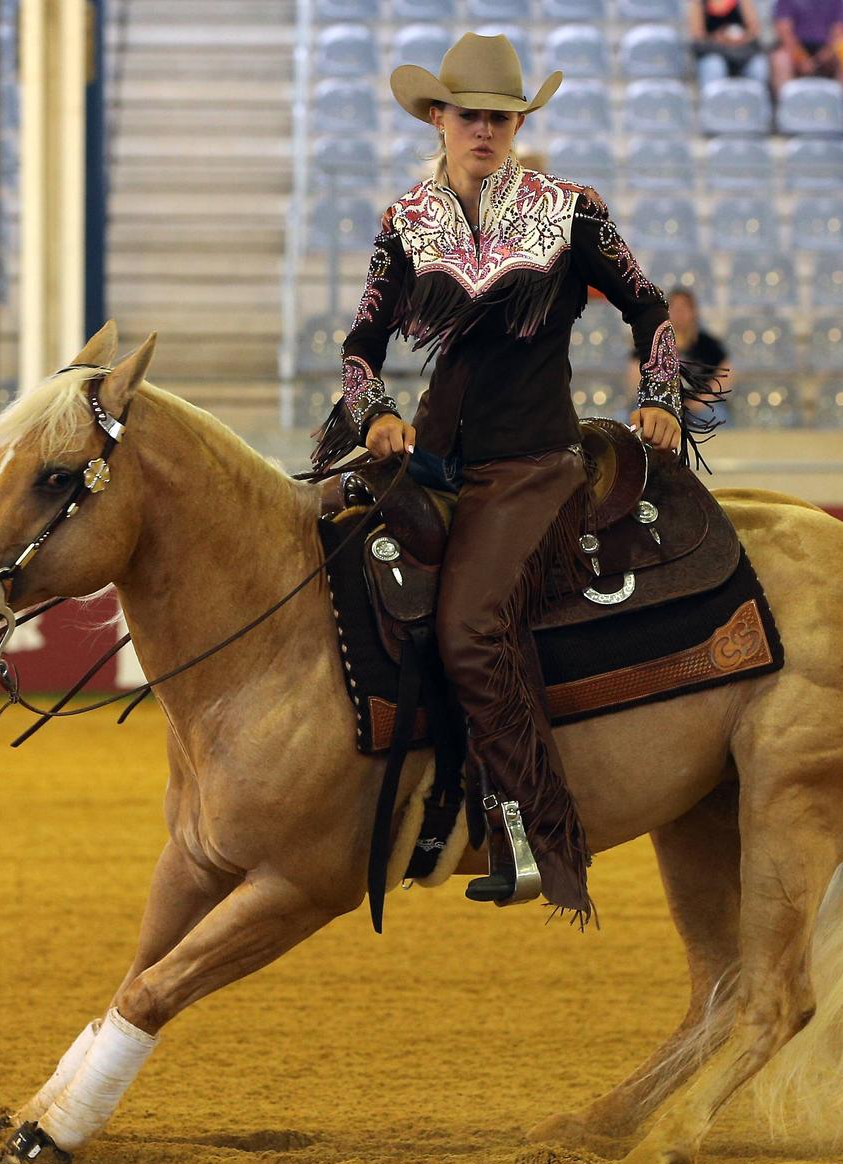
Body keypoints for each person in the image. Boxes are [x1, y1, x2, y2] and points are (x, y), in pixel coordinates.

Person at [312, 34, 708, 925]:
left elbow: (648, 304)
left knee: (469, 625)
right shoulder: (407, 220)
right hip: (433, 458)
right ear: (440, 120)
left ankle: (534, 829)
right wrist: (374, 409)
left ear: (518, 124)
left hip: (532, 464)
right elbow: (360, 343)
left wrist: (659, 396)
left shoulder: (571, 211)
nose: (484, 128)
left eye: (500, 116)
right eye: (469, 114)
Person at [630, 287, 731, 427]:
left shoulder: (708, 345)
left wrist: (703, 400)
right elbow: (635, 373)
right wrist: (658, 402)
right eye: (674, 308)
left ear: (694, 312)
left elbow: (725, 374)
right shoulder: (652, 342)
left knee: (719, 417)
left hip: (698, 408)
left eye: (684, 308)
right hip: (658, 407)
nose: (679, 313)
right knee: (626, 417)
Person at [772, 0, 843, 92]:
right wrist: (801, 58)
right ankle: (785, 103)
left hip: (826, 49)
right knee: (780, 59)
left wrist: (825, 54)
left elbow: (840, 31)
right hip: (796, 48)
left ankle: (839, 102)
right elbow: (785, 32)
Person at [688, 0, 772, 87]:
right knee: (714, 65)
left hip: (741, 51)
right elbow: (698, 36)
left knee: (758, 65)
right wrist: (719, 38)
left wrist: (740, 38)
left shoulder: (742, 2)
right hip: (713, 52)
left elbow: (754, 30)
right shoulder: (698, 3)